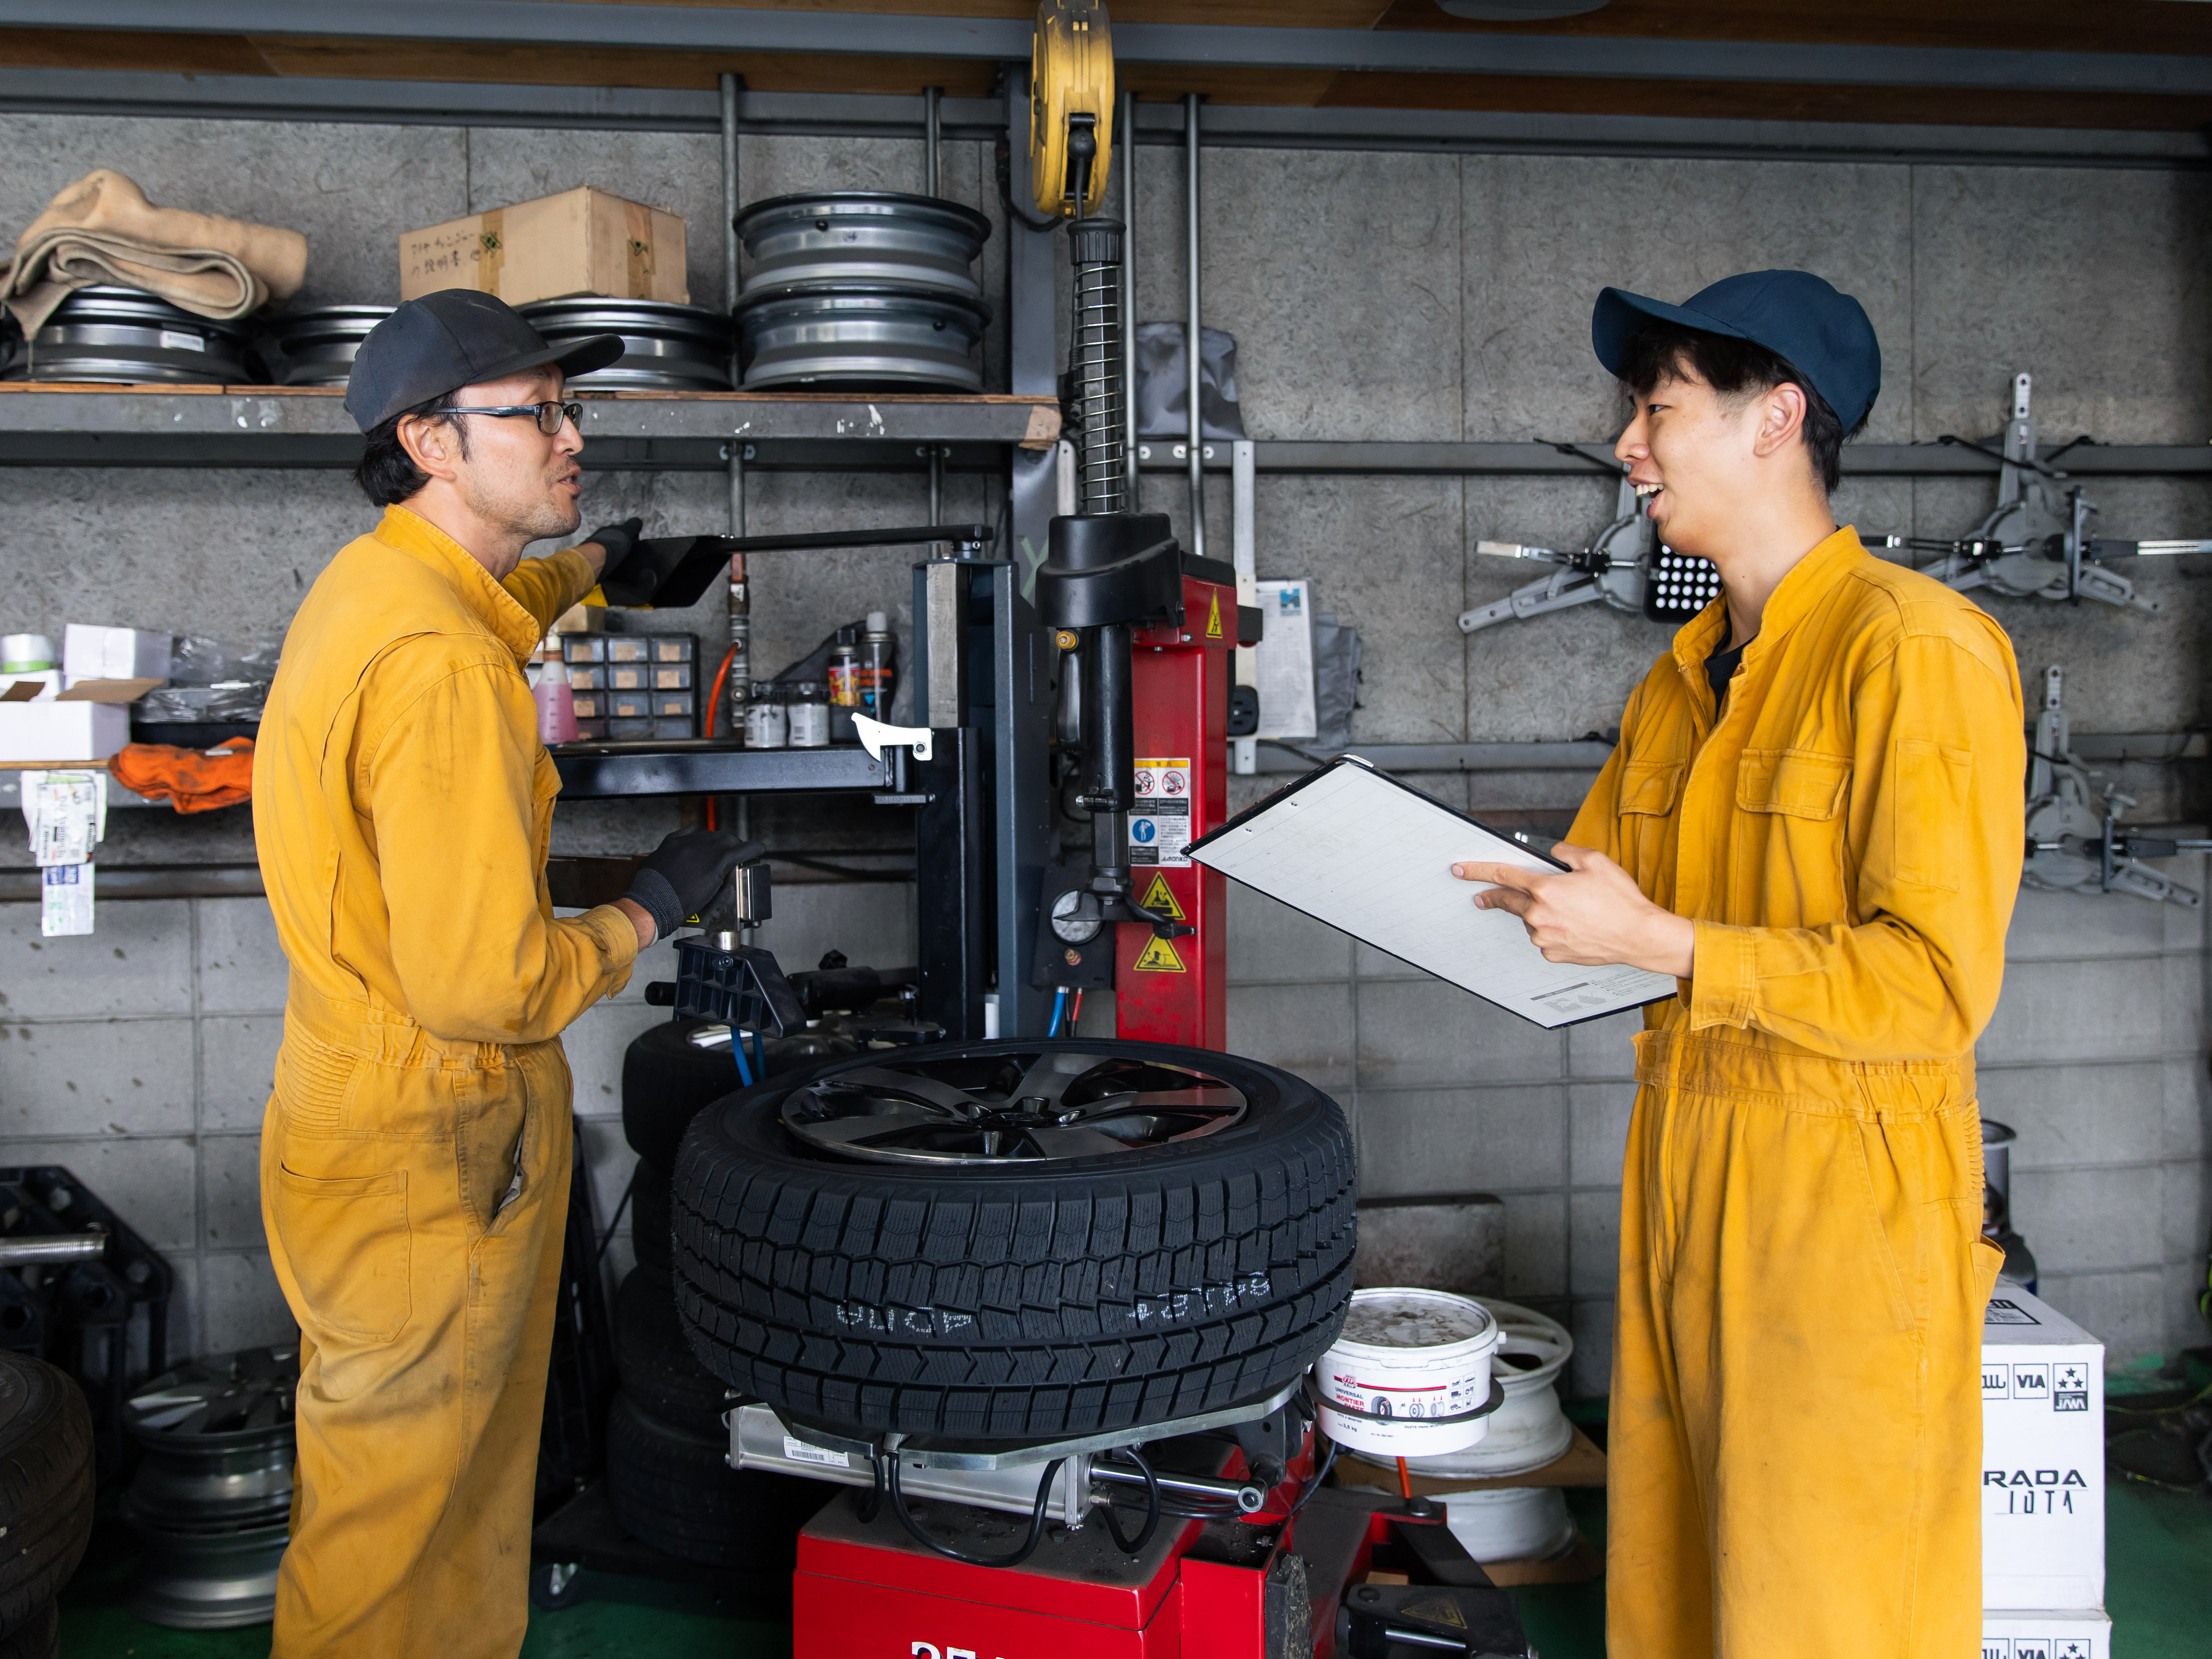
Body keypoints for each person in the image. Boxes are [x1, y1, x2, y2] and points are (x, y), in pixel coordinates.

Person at [1454, 271, 2021, 1658]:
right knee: (1680, 1592)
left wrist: (1665, 945)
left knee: (1823, 1603)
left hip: (1843, 1206)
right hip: (1685, 1169)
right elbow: (1596, 908)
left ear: (1777, 419)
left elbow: (1933, 987)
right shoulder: (1681, 678)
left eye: (1655, 410)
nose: (1627, 448)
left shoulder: (1916, 652)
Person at [251, 290, 756, 1657]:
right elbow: (486, 984)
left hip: (360, 1113)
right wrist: (648, 909)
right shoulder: (440, 667)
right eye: (534, 414)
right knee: (405, 1538)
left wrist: (591, 567)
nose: (569, 434)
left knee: (424, 1500)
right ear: (431, 440)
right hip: (433, 1137)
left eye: (568, 407)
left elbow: (492, 594)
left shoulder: (384, 583)